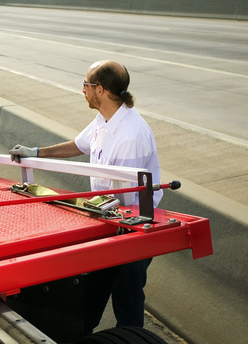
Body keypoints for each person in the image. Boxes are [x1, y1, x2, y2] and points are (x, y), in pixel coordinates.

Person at [9, 60, 162, 332]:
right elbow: (78, 145)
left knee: (127, 295)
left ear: (100, 90)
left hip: (132, 225)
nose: (82, 90)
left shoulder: (130, 134)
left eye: (86, 85)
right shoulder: (105, 119)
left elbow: (127, 196)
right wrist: (35, 152)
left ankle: (131, 336)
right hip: (108, 219)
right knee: (95, 288)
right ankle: (84, 331)